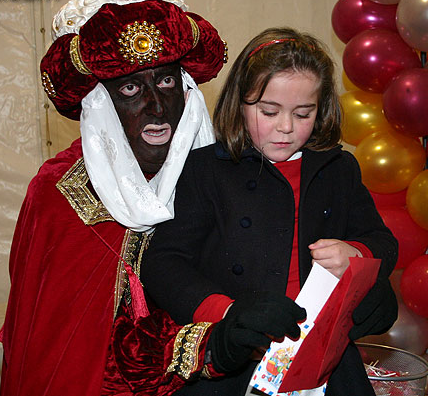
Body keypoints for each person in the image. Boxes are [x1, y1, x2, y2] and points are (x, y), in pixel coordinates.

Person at [0, 0, 306, 396]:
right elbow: (78, 353)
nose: (156, 106)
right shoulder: (63, 193)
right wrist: (210, 346)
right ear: (101, 104)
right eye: (130, 88)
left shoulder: (223, 168)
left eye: (166, 82)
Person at [141, 27, 399, 395]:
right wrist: (227, 313)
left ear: (322, 109)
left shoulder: (338, 169)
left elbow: (382, 241)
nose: (286, 127)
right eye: (269, 111)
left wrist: (358, 254)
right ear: (240, 104)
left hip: (322, 359)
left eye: (303, 113)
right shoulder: (205, 169)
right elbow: (164, 264)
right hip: (232, 359)